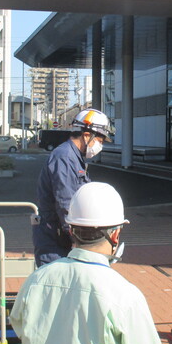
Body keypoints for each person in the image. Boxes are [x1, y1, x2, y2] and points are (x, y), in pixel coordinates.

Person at [11, 182, 164, 344]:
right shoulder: (123, 294)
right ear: (116, 233)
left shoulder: (36, 280)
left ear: (71, 230)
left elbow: (20, 327)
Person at [33, 108, 112, 267]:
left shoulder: (74, 157)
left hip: (61, 238)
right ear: (87, 135)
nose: (100, 146)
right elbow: (66, 202)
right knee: (58, 286)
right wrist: (79, 240)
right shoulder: (65, 157)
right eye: (100, 141)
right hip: (55, 241)